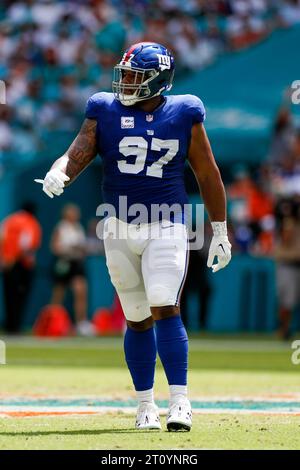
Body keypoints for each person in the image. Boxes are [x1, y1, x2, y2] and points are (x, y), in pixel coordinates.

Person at [35, 42, 231, 432]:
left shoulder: (184, 112)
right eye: (124, 74)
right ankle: (145, 406)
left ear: (157, 81)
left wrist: (221, 230)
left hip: (167, 221)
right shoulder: (104, 108)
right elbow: (79, 150)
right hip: (118, 225)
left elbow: (207, 173)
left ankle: (180, 402)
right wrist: (61, 170)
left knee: (164, 304)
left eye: (133, 76)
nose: (124, 82)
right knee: (137, 317)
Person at [50, 203, 95, 337]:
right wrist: (69, 249)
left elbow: (83, 247)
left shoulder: (78, 228)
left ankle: (81, 323)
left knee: (80, 291)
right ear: (66, 214)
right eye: (72, 213)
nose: (75, 215)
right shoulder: (61, 228)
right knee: (59, 294)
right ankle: (53, 322)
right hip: (64, 263)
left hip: (77, 264)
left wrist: (82, 250)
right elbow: (54, 247)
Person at [0, 202, 42, 333]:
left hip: (7, 263)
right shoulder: (30, 222)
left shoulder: (10, 220)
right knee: (20, 297)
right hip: (21, 265)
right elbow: (26, 244)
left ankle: (9, 326)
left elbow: (2, 237)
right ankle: (16, 327)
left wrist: (5, 257)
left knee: (9, 296)